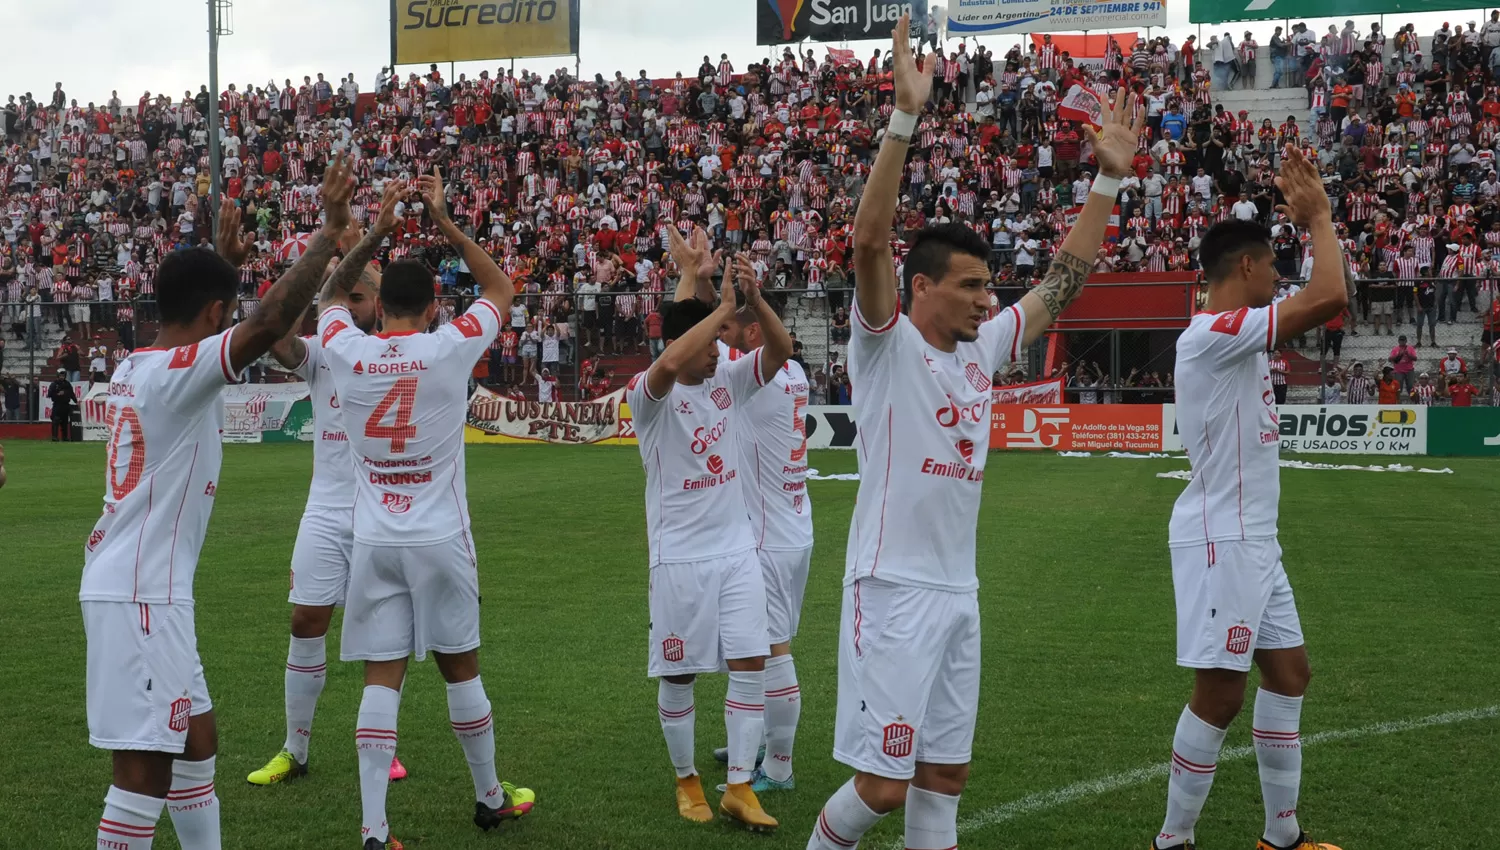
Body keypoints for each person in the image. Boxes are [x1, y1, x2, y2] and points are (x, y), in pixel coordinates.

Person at [804, 16, 1143, 850]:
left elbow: (1063, 285)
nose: (989, 302)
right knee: (882, 784)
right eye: (971, 287)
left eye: (991, 287)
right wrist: (903, 121)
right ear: (922, 288)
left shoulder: (982, 349)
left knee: (944, 777)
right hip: (891, 591)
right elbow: (868, 238)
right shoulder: (884, 345)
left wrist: (1106, 184)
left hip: (960, 594)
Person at [80, 156, 357, 850]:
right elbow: (264, 328)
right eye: (223, 311)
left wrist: (226, 271)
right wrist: (326, 234)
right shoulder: (175, 375)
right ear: (212, 313)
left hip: (146, 590)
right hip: (140, 593)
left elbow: (238, 321)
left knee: (198, 740)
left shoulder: (136, 365)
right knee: (144, 772)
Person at [317, 169, 535, 850]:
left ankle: (375, 830)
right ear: (435, 304)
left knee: (381, 678)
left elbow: (327, 293)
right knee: (459, 665)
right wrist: (443, 222)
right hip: (440, 535)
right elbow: (501, 289)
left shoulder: (347, 350)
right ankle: (489, 798)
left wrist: (376, 230)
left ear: (378, 308)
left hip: (374, 538)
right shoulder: (448, 348)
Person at [1154, 148, 1352, 850]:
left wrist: (1318, 224)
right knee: (1221, 696)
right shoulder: (1212, 333)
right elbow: (1330, 297)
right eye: (1272, 265)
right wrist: (1321, 219)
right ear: (1245, 267)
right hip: (1223, 539)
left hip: (1252, 539)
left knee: (1290, 674)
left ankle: (1282, 836)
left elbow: (1320, 295)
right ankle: (1172, 842)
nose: (1279, 277)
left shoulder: (1231, 339)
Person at [624, 233, 792, 830]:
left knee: (750, 660)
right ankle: (687, 778)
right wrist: (715, 305)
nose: (719, 351)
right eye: (711, 343)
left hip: (737, 551)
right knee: (680, 672)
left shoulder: (727, 381)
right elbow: (671, 359)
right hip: (679, 560)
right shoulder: (651, 398)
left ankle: (740, 786)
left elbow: (781, 349)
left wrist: (752, 299)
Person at [247, 181, 410, 788]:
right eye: (344, 293)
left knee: (381, 637)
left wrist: (364, 242)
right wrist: (321, 256)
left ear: (376, 304)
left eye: (357, 294)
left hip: (382, 513)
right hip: (326, 511)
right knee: (306, 622)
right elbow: (270, 332)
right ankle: (295, 749)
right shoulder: (321, 352)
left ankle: (381, 744)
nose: (346, 301)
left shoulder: (402, 354)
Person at [671, 228, 815, 794]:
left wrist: (697, 281)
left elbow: (687, 344)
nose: (717, 338)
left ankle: (777, 766)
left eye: (727, 330)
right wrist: (706, 282)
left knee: (771, 648)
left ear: (752, 333)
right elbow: (701, 338)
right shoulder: (792, 374)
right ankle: (749, 738)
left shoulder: (763, 378)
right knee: (749, 646)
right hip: (786, 525)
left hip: (769, 535)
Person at [48, 368, 77, 441]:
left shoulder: (67, 384)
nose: (62, 377)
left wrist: (76, 401)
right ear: (57, 375)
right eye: (60, 375)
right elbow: (49, 394)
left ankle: (65, 437)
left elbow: (72, 394)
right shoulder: (54, 384)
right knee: (55, 420)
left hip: (65, 405)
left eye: (63, 375)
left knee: (65, 421)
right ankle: (54, 437)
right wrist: (57, 394)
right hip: (57, 405)